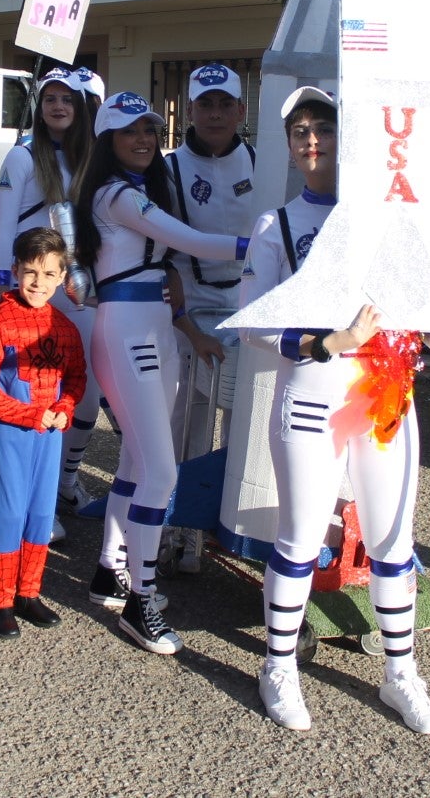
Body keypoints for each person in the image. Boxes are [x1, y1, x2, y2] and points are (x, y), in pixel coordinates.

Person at [238, 86, 430, 733]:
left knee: (392, 540)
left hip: (384, 392)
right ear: (289, 145)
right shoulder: (275, 226)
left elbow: (417, 298)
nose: (312, 140)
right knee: (301, 538)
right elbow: (250, 323)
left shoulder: (392, 220)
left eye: (324, 128)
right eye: (299, 130)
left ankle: (400, 672)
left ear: (347, 137)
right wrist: (324, 343)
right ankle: (278, 666)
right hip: (311, 391)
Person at [74, 90, 248, 655]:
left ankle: (112, 570)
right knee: (161, 472)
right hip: (127, 333)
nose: (143, 139)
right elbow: (191, 242)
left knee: (136, 462)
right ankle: (140, 600)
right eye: (129, 131)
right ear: (108, 140)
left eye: (149, 129)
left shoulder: (141, 189)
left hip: (155, 330)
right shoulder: (116, 194)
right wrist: (268, 241)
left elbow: (173, 255)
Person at [0, 226, 87, 639]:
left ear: (62, 276)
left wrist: (64, 407)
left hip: (48, 436)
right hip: (10, 432)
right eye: (31, 271)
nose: (39, 282)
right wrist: (32, 414)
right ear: (15, 270)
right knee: (8, 513)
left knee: (41, 514)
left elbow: (76, 377)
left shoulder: (64, 329)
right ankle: (0, 601)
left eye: (50, 273)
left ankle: (29, 593)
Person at [162, 63, 260, 573]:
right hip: (190, 310)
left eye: (225, 104)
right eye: (206, 104)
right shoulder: (169, 169)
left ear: (241, 110)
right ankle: (180, 529)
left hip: (247, 310)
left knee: (242, 423)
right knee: (186, 423)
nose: (215, 113)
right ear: (190, 110)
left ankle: (231, 526)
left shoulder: (264, 164)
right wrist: (185, 322)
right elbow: (161, 254)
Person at [0, 67, 103, 514]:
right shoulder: (21, 156)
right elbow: (4, 229)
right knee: (34, 395)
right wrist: (2, 292)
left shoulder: (89, 157)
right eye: (50, 99)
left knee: (86, 395)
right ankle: (37, 499)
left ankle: (66, 482)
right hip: (32, 291)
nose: (59, 106)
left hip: (75, 288)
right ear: (39, 108)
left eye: (67, 99)